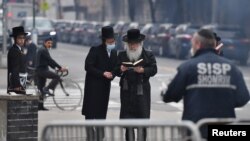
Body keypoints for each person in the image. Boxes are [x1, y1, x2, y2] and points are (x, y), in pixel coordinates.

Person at [162, 29, 250, 138]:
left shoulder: (188, 67)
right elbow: (243, 98)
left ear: (198, 44)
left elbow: (170, 96)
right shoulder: (232, 68)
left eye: (192, 43)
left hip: (196, 131)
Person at [115, 29, 157, 141]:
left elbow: (153, 69)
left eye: (135, 44)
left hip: (142, 91)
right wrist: (120, 69)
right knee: (128, 123)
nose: (132, 46)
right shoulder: (122, 54)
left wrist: (143, 70)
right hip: (127, 91)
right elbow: (116, 71)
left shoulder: (148, 54)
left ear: (140, 44)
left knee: (142, 121)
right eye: (130, 44)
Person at [81, 26, 118, 141]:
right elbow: (88, 66)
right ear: (104, 40)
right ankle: (90, 136)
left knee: (101, 114)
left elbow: (114, 68)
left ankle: (100, 136)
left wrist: (114, 73)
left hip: (104, 88)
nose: (112, 43)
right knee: (91, 114)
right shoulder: (95, 50)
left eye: (113, 41)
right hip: (93, 87)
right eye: (110, 41)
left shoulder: (114, 52)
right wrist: (102, 73)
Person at [36, 36, 67, 110]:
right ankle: (48, 89)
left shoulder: (42, 49)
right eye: (48, 43)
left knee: (41, 89)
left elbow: (48, 61)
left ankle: (40, 106)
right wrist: (60, 67)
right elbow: (50, 60)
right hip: (42, 70)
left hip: (39, 70)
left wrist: (56, 68)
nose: (50, 45)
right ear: (45, 43)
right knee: (57, 77)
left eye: (51, 43)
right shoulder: (43, 50)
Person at [7, 26, 28, 94]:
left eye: (23, 38)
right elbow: (14, 68)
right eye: (20, 38)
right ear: (15, 39)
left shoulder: (20, 49)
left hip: (21, 82)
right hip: (16, 85)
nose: (22, 40)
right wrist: (17, 85)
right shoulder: (14, 51)